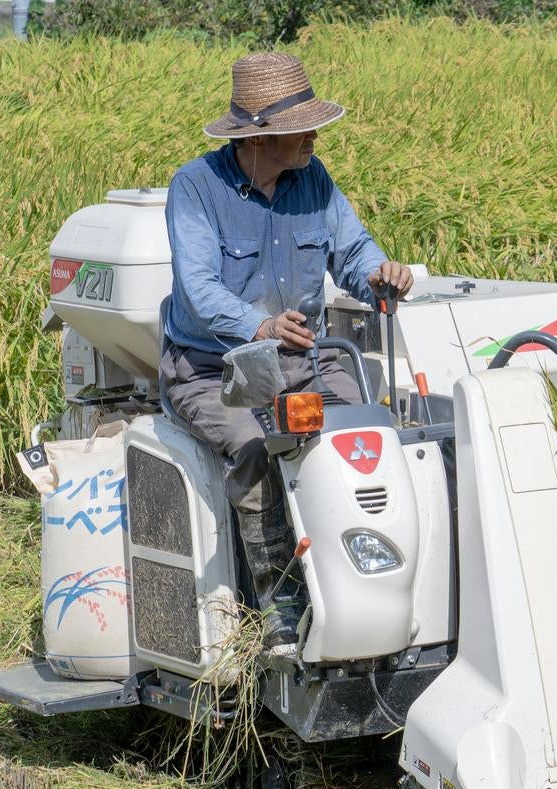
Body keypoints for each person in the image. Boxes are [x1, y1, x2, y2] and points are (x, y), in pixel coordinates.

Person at [161, 52, 413, 650]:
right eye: (303, 127)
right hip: (213, 368)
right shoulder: (195, 188)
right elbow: (198, 293)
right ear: (260, 137)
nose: (315, 137)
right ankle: (279, 600)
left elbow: (352, 253)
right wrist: (260, 326)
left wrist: (380, 274)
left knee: (362, 430)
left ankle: (359, 579)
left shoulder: (314, 179)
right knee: (254, 445)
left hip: (304, 357)